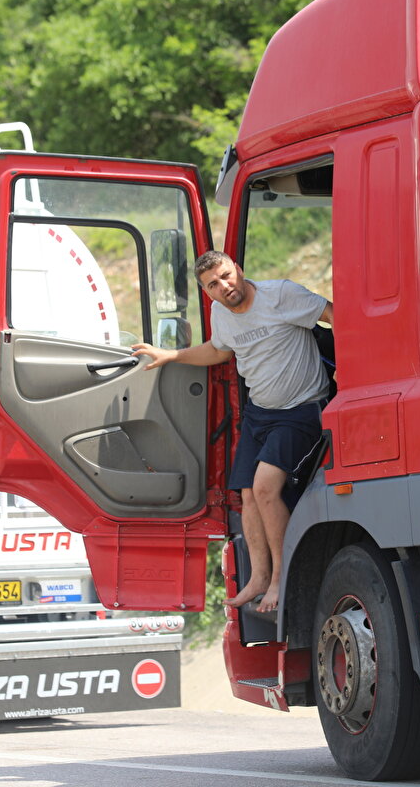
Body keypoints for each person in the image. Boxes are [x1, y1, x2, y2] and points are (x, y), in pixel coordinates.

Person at [131, 251, 333, 613]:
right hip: (260, 413)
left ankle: (281, 579)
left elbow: (335, 316)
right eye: (213, 285)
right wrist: (171, 356)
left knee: (266, 489)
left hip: (301, 409)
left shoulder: (281, 295)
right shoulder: (220, 313)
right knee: (246, 494)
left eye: (226, 276)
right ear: (206, 292)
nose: (224, 286)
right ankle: (258, 576)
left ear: (238, 269)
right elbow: (220, 351)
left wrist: (356, 371)